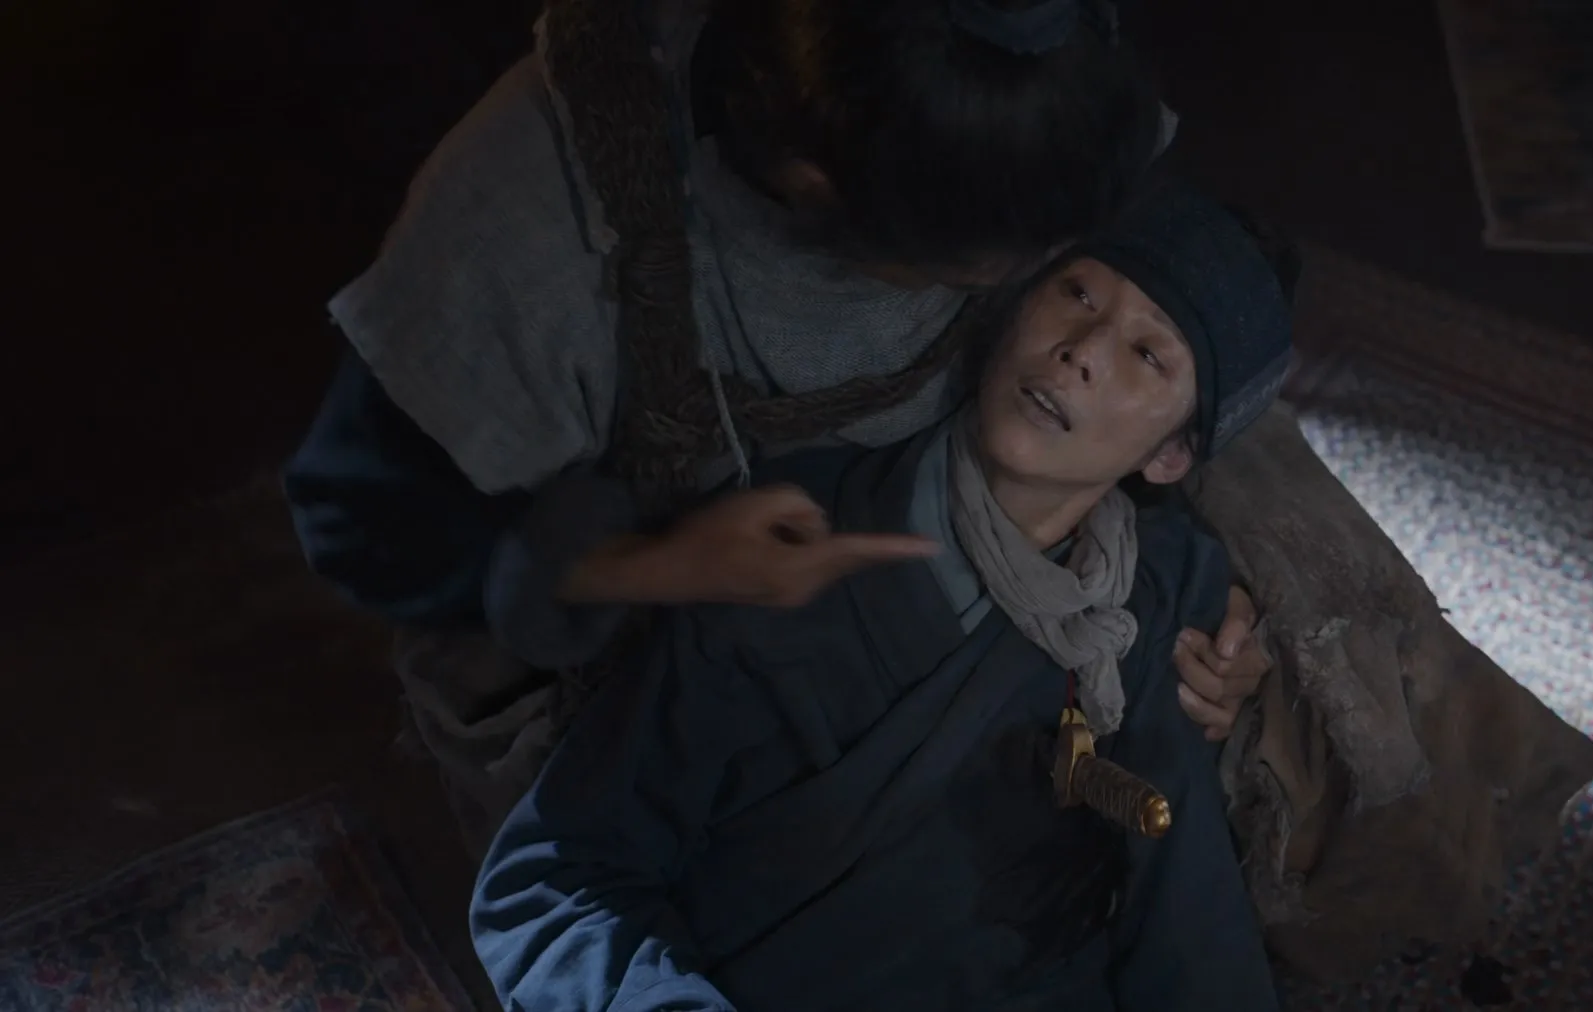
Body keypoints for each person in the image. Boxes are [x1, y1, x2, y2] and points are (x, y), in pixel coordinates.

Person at [283, 0, 1271, 858]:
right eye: (1017, 269)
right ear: (812, 189)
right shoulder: (523, 238)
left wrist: (1201, 598)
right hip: (620, 652)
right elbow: (361, 526)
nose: (1065, 311)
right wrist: (648, 565)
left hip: (952, 570)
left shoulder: (1052, 72)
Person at [471, 183, 1292, 1012]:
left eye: (1148, 355)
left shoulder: (1155, 592)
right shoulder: (786, 550)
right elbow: (556, 879)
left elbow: (1185, 906)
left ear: (1170, 458)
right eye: (1077, 294)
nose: (1081, 350)